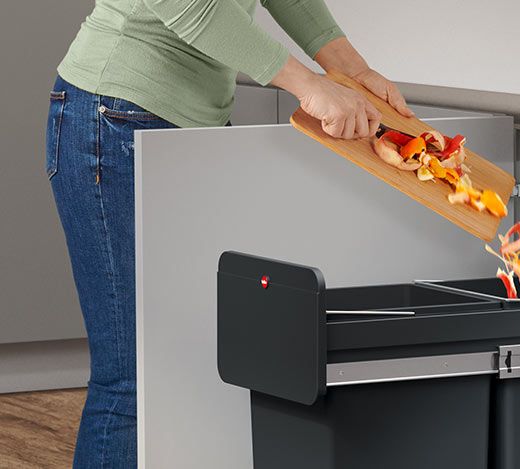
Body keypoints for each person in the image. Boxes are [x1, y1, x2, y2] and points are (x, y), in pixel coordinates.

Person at [45, 1, 412, 466]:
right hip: (117, 115)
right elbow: (191, 8)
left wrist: (356, 73)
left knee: (210, 357)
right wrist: (310, 85)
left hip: (193, 130)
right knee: (134, 376)